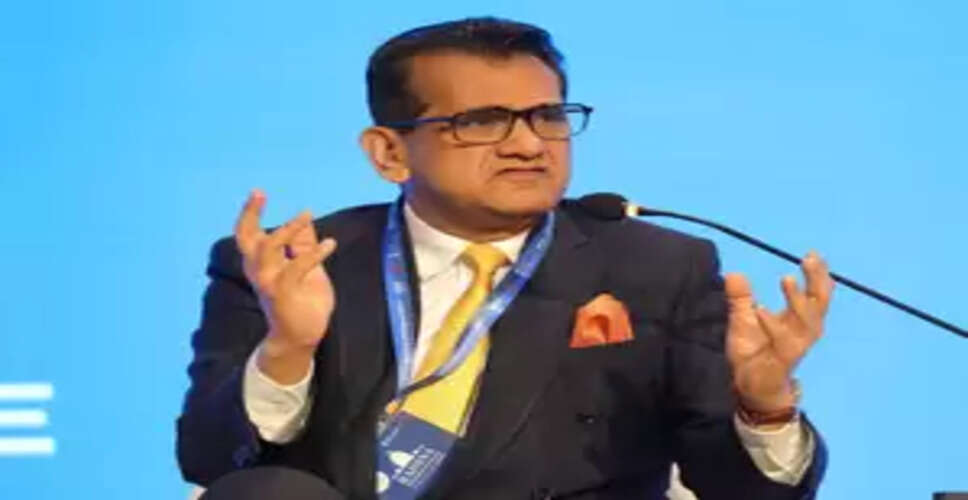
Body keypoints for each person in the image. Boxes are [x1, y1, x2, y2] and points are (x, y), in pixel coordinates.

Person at [177, 17, 834, 500]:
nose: (528, 144)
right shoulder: (293, 264)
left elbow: (743, 494)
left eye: (547, 115)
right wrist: (288, 349)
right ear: (389, 153)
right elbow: (211, 462)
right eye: (482, 121)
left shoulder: (657, 269)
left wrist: (765, 406)